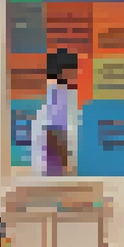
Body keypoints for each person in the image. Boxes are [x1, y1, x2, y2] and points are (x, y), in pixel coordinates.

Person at [32, 48, 81, 176]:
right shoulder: (61, 96)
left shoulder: (52, 98)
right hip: (57, 174)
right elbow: (55, 134)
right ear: (66, 73)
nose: (77, 76)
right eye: (75, 72)